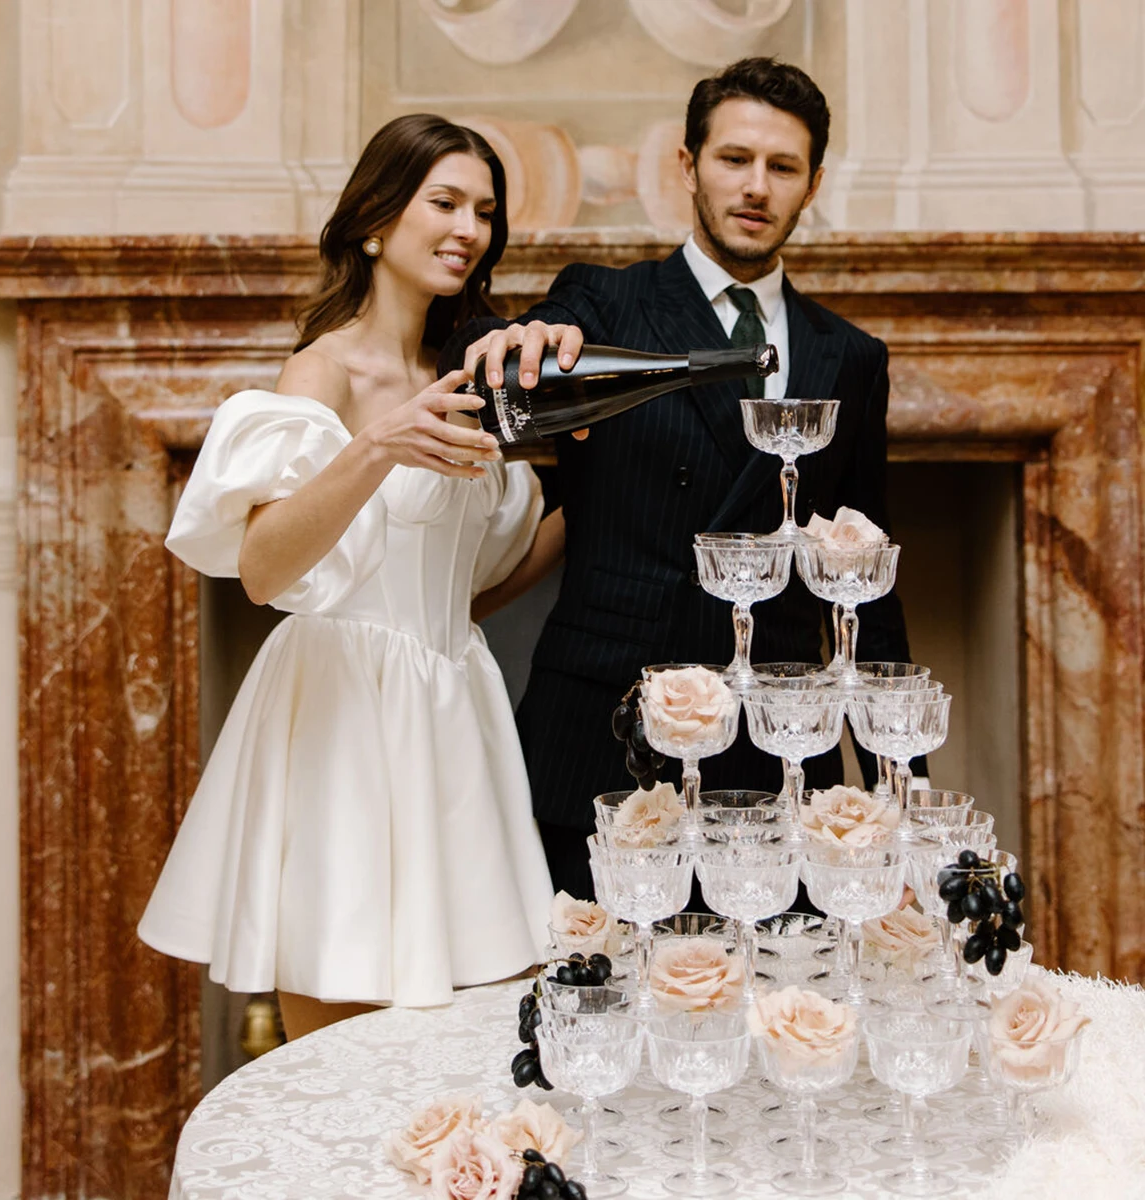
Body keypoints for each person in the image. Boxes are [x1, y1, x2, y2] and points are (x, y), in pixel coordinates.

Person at [441, 58, 917, 900]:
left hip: (766, 750)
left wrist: (897, 793)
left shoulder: (852, 356)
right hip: (600, 730)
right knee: (582, 1010)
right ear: (689, 166)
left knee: (755, 1007)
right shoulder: (603, 304)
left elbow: (865, 589)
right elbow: (514, 359)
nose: (756, 186)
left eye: (782, 166)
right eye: (734, 159)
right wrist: (513, 344)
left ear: (812, 185)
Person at [138, 114, 556, 1040]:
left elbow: (480, 578)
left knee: (480, 1035)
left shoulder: (474, 376)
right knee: (337, 1045)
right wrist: (377, 445)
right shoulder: (319, 375)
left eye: (485, 211)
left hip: (454, 714)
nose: (468, 229)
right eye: (443, 202)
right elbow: (260, 566)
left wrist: (601, 497)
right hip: (343, 724)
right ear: (375, 222)